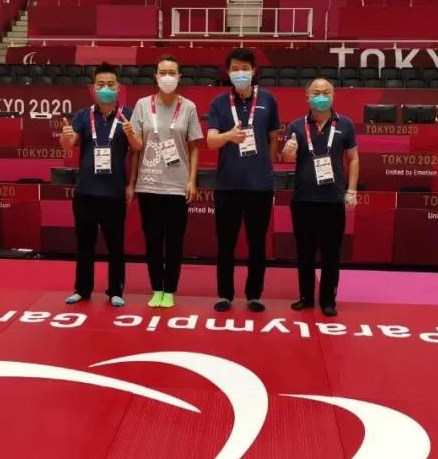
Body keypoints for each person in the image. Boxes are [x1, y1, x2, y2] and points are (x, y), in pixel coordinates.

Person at [206, 48, 281, 313]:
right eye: (235, 68)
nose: (240, 73)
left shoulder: (268, 100)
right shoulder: (218, 103)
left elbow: (274, 136)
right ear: (228, 72)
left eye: (245, 68)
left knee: (257, 243)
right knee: (226, 243)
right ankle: (225, 294)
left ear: (253, 70)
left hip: (260, 186)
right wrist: (228, 136)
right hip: (228, 185)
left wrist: (266, 167)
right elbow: (211, 141)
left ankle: (254, 295)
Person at [128, 55, 203, 309]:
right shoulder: (142, 105)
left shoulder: (189, 107)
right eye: (163, 72)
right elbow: (136, 148)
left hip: (177, 185)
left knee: (174, 241)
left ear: (179, 77)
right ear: (156, 76)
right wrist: (132, 182)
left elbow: (194, 147)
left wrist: (192, 180)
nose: (167, 77)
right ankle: (156, 289)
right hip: (148, 183)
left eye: (172, 72)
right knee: (152, 239)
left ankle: (169, 290)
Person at [60, 62, 137, 307]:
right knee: (85, 244)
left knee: (116, 245)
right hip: (85, 192)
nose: (106, 88)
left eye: (110, 84)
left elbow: (138, 148)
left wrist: (131, 133)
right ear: (94, 88)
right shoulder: (83, 115)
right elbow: (68, 145)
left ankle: (115, 291)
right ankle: (82, 289)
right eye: (101, 84)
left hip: (114, 192)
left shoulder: (129, 114)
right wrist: (65, 137)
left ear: (118, 87)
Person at [281, 77, 359, 317]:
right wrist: (288, 152)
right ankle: (305, 297)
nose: (321, 96)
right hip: (303, 199)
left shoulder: (345, 124)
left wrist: (351, 190)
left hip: (332, 200)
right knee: (304, 252)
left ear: (333, 95)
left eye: (326, 92)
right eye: (316, 92)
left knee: (331, 253)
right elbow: (287, 158)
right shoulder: (296, 126)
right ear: (307, 96)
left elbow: (353, 159)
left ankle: (328, 300)